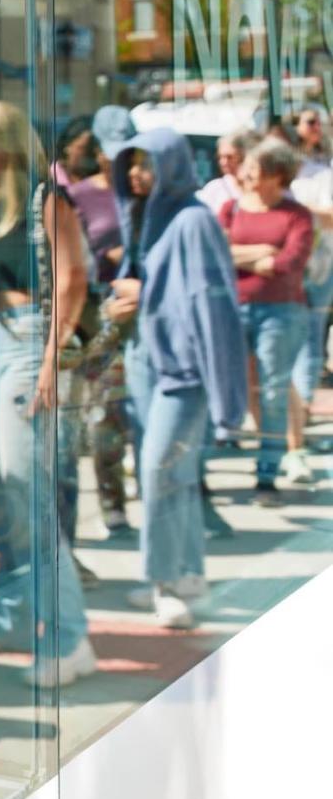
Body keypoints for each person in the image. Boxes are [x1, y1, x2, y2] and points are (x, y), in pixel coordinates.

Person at [0, 102, 96, 687]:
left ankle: (70, 635)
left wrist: (53, 362)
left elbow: (72, 278)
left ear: (10, 149)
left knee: (25, 490)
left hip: (34, 339)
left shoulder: (45, 200)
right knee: (0, 491)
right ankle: (10, 614)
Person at [108, 131, 247, 628]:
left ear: (172, 165)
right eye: (132, 164)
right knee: (176, 477)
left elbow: (211, 305)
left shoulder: (192, 220)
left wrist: (228, 398)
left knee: (158, 472)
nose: (136, 175)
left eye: (147, 164)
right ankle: (187, 577)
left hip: (183, 372)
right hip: (149, 359)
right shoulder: (151, 216)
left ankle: (165, 581)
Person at [218, 138, 313, 502]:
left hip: (282, 313)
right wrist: (260, 253)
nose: (245, 173)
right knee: (229, 385)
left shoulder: (296, 215)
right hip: (233, 308)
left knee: (273, 391)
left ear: (275, 175)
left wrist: (237, 255)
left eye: (254, 168)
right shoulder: (229, 208)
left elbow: (289, 263)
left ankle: (267, 474)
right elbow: (214, 252)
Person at [69, 105, 136, 533]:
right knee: (106, 410)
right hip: (99, 313)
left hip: (143, 310)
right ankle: (113, 504)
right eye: (113, 151)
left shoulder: (143, 189)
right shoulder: (80, 197)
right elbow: (69, 256)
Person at [288, 109, 333, 480]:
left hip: (318, 266)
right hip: (285, 268)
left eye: (319, 122)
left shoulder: (322, 173)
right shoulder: (281, 171)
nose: (316, 128)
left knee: (310, 342)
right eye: (309, 121)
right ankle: (290, 424)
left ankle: (298, 418)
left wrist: (296, 213)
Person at [196, 131, 251, 213]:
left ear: (242, 156)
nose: (223, 162)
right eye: (220, 157)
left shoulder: (255, 187)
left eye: (230, 157)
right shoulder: (214, 188)